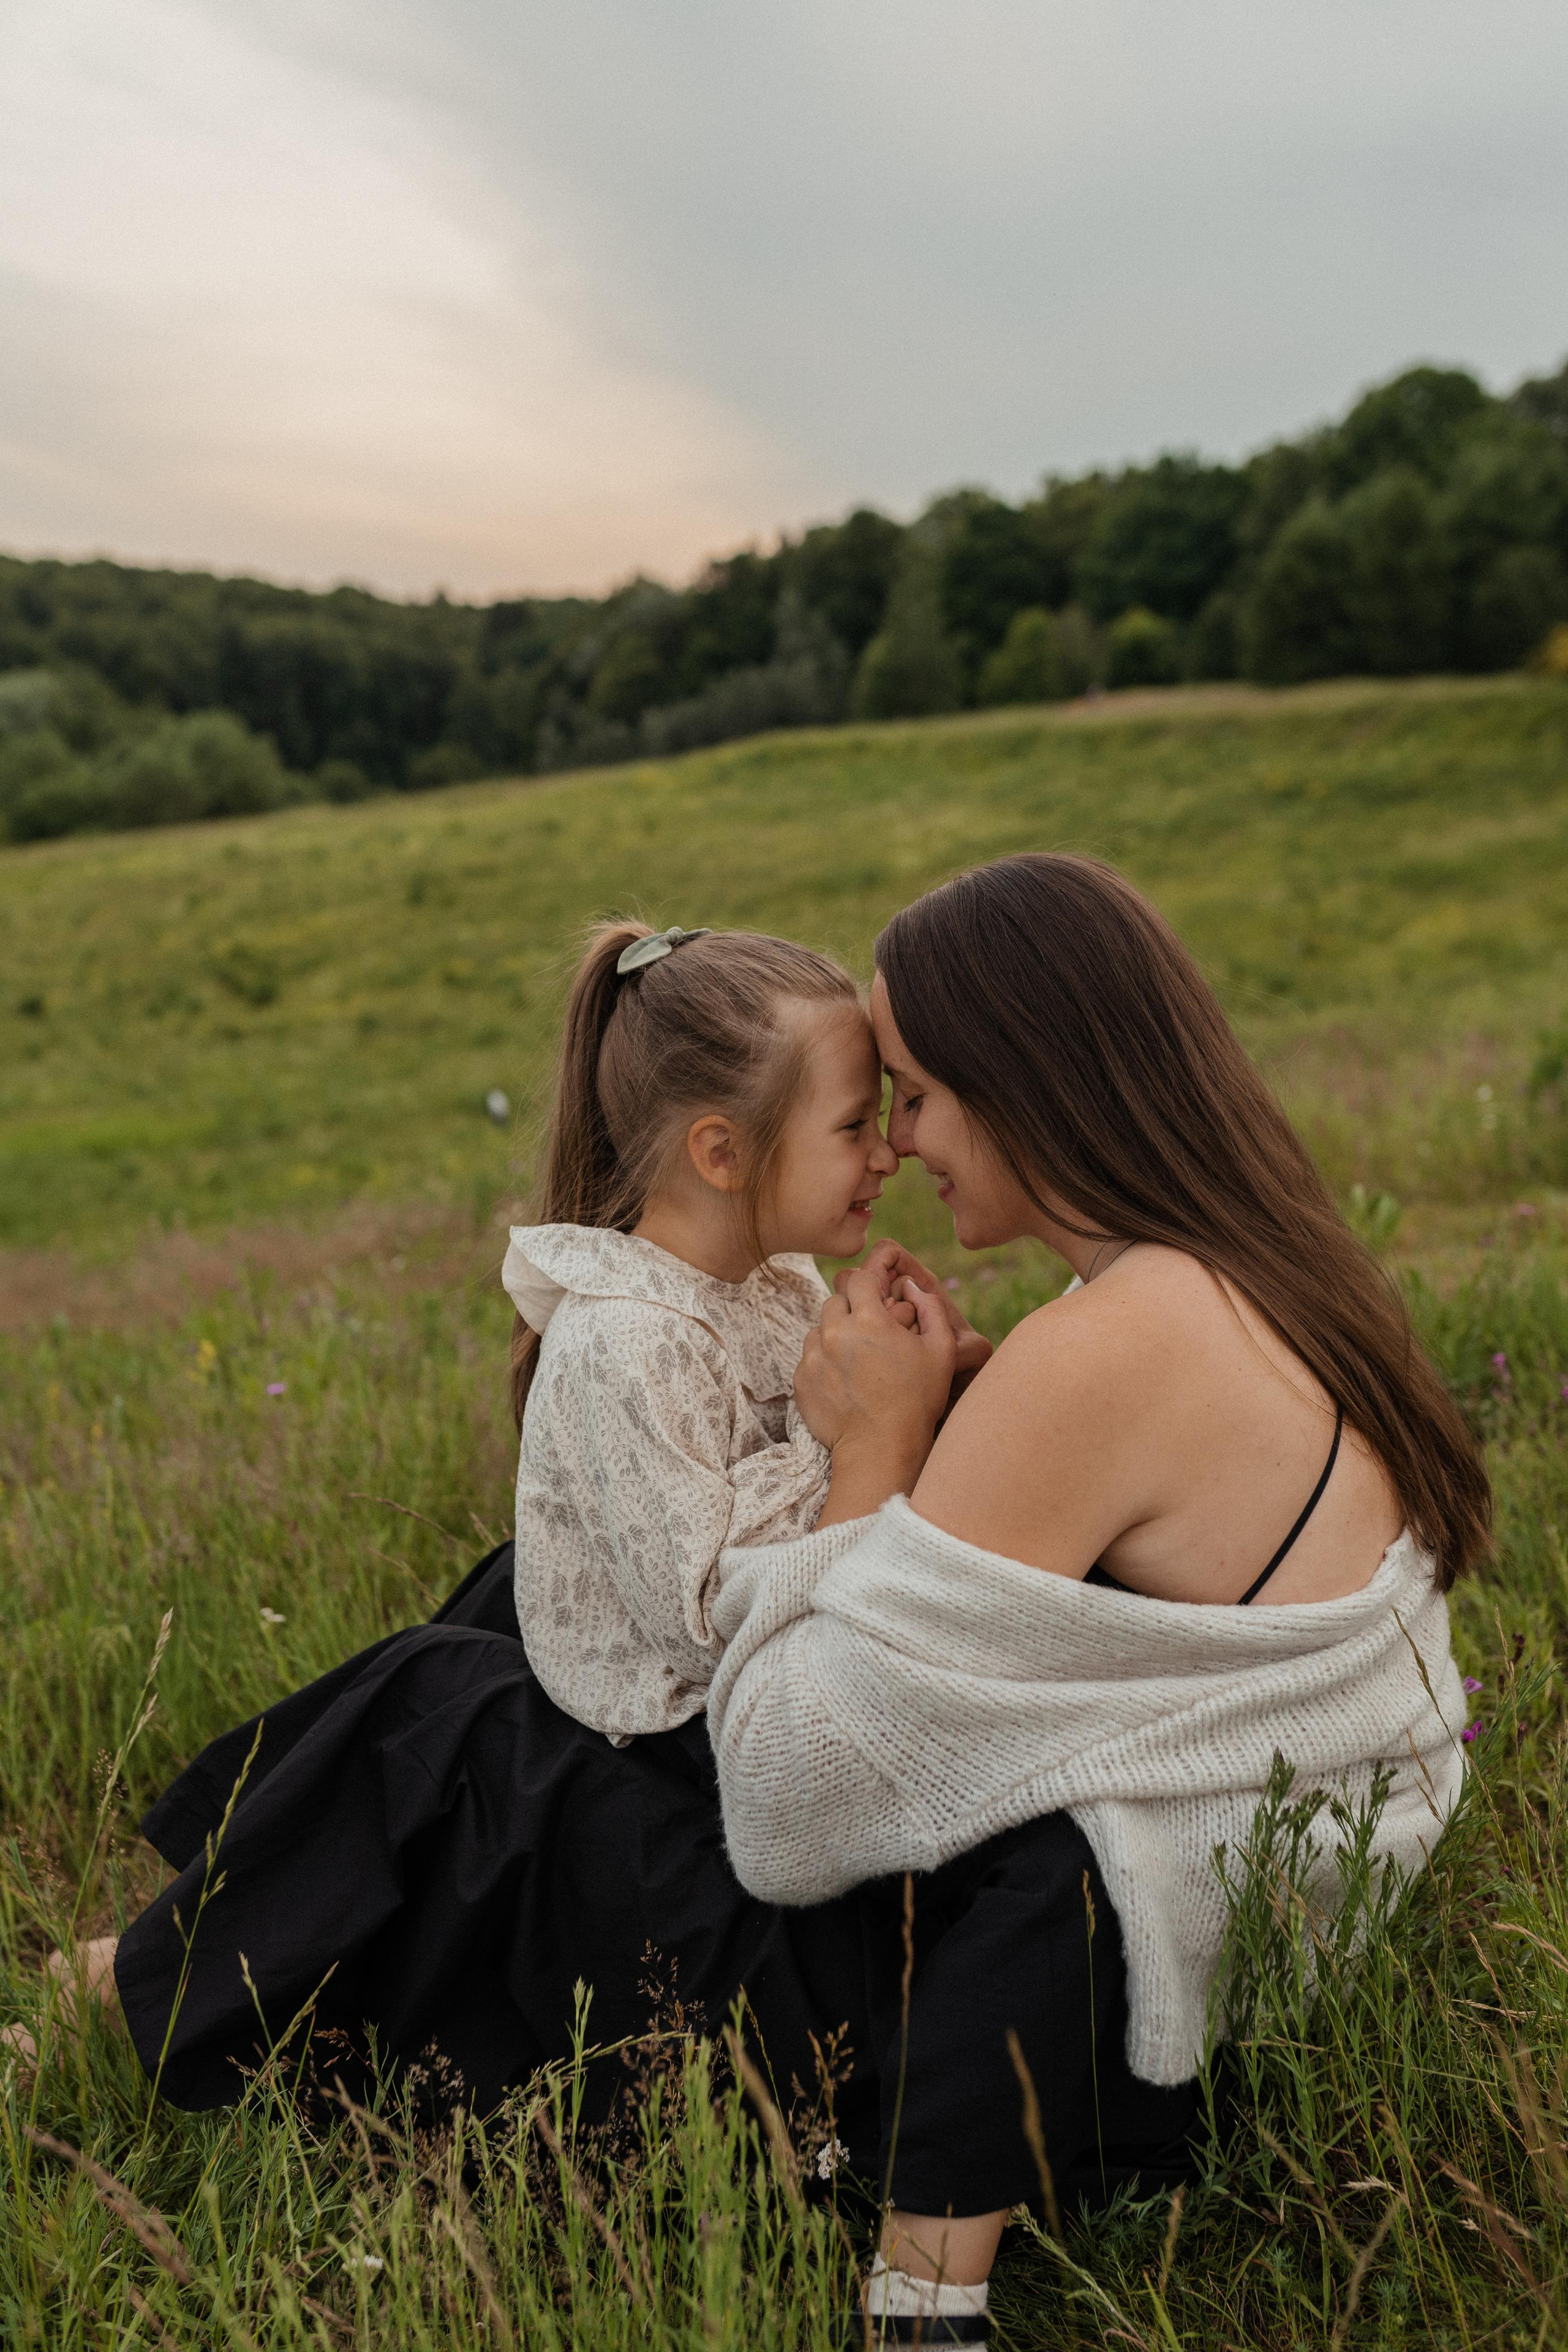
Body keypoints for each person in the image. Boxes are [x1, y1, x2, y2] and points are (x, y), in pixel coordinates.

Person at [702, 851, 1483, 2340]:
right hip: (1260, 1928)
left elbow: (789, 1808)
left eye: (916, 1093)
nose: (901, 1143)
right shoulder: (1248, 1266)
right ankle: (132, 1976)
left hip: (1109, 1994)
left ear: (1026, 1081)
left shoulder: (1109, 1344)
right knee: (491, 1684)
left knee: (530, 1763)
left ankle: (919, 2302)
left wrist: (866, 1455)